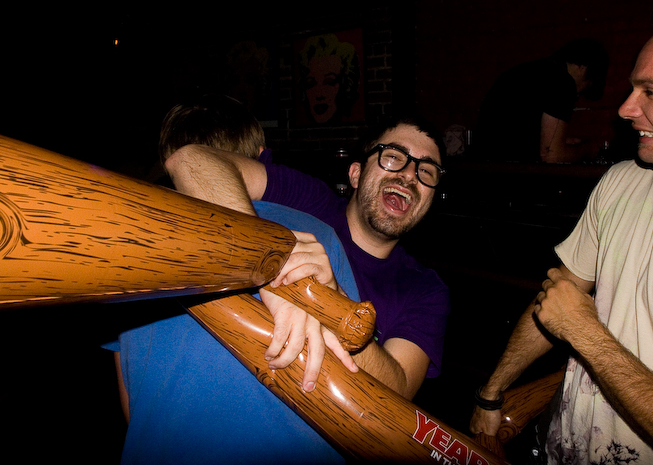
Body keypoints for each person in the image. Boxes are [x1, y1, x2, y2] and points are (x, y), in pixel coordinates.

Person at [470, 0, 653, 465]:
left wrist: (586, 332)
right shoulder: (623, 182)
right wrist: (491, 392)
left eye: (651, 92)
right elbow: (557, 298)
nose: (625, 108)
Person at [108, 94, 362, 464]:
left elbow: (132, 404)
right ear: (258, 155)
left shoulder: (129, 243)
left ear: (166, 159)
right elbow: (354, 379)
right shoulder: (315, 237)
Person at [165, 116, 451, 400]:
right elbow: (191, 160)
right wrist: (266, 259)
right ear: (356, 174)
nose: (410, 175)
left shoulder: (426, 289)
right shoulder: (310, 199)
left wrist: (329, 304)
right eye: (393, 156)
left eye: (427, 171)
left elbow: (398, 391)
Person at [475, 38, 608, 163]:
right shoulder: (562, 82)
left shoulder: (523, 72)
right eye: (587, 84)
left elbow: (513, 133)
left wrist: (564, 143)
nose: (578, 93)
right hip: (510, 170)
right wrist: (587, 150)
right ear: (583, 68)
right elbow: (551, 155)